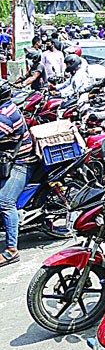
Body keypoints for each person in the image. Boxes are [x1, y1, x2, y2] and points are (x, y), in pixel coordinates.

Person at [0, 81, 37, 268]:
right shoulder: (5, 107)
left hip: (21, 163)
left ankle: (12, 250)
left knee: (5, 202)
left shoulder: (5, 117)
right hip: (6, 158)